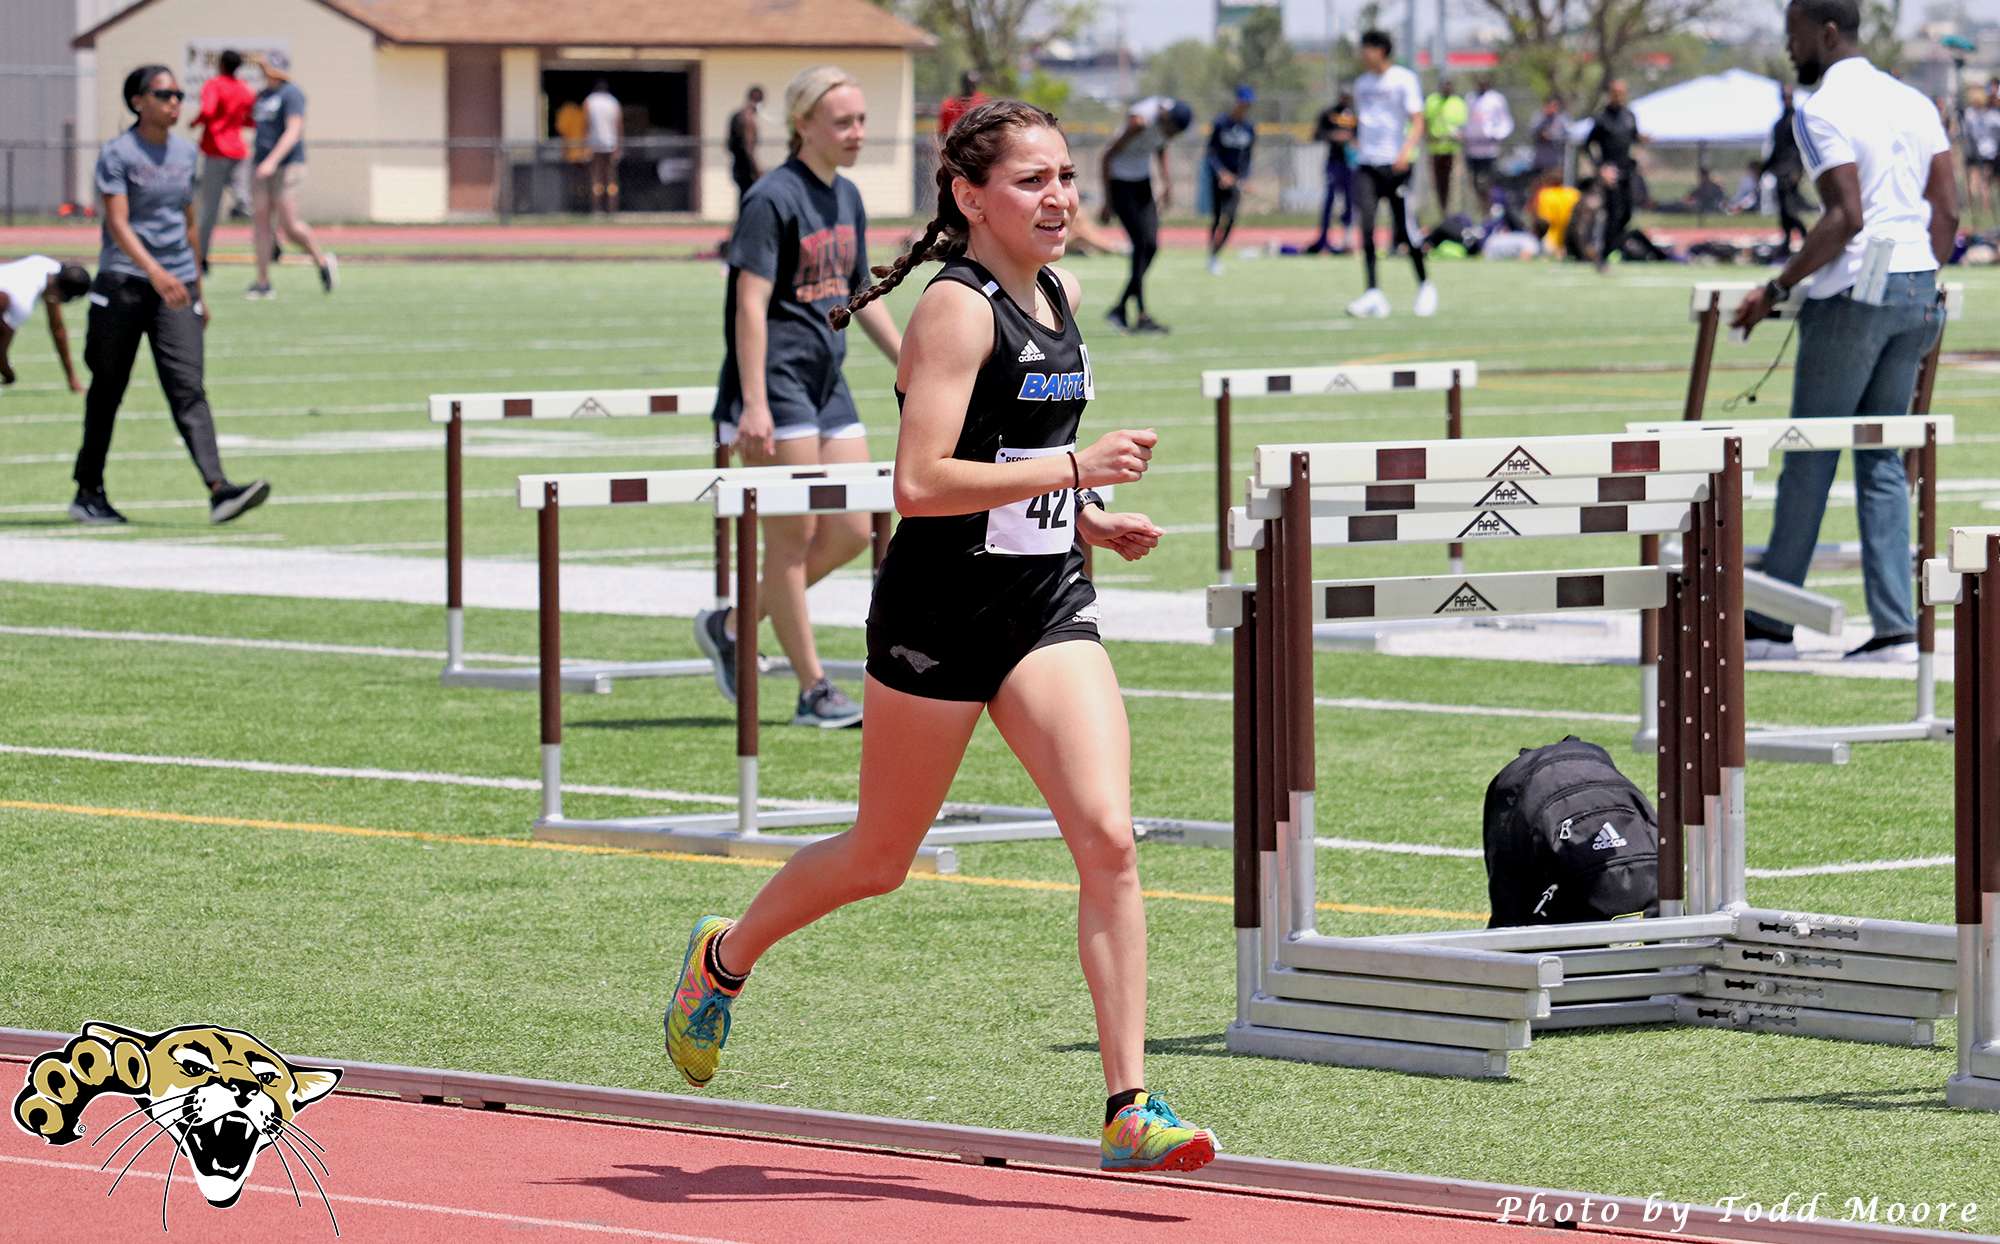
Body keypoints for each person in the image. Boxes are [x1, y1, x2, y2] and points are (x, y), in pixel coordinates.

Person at [665, 97, 1217, 1177]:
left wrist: (1086, 517)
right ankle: (722, 956)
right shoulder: (954, 311)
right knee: (880, 856)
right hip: (936, 616)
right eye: (1031, 180)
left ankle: (1127, 1102)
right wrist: (1076, 470)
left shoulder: (1055, 290)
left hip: (1045, 603)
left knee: (1106, 834)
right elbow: (917, 485)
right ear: (970, 197)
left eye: (1063, 175)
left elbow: (1011, 457)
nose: (1058, 196)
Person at [1731, 0, 1958, 665]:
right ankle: (1895, 627)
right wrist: (1922, 272)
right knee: (1882, 456)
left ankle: (1772, 624)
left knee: (1810, 451)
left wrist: (1774, 289)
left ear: (1826, 34)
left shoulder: (1821, 106)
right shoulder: (1915, 101)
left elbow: (1846, 215)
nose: (1787, 48)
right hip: (1918, 289)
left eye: (1794, 36)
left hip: (1856, 294)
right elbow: (1946, 205)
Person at [694, 66, 902, 729]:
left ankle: (731, 624)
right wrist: (752, 404)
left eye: (862, 120)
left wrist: (910, 362)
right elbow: (748, 306)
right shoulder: (770, 198)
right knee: (791, 538)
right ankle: (814, 688)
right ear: (803, 125)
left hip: (826, 378)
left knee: (852, 526)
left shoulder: (846, 197)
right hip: (774, 384)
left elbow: (854, 295)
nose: (857, 133)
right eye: (843, 122)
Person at [72, 65, 270, 527]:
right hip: (124, 284)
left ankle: (219, 490)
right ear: (138, 101)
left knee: (188, 388)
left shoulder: (185, 153)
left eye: (179, 93)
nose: (175, 102)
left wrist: (197, 290)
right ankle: (88, 492)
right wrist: (155, 272)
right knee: (108, 389)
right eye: (164, 94)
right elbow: (118, 223)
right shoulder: (117, 153)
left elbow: (188, 223)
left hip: (177, 287)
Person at [1347, 29, 1435, 319]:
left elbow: (1417, 121)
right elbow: (1362, 122)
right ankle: (1373, 292)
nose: (1363, 55)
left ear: (1380, 50)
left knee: (1404, 231)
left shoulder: (1404, 79)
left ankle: (1424, 286)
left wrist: (1405, 152)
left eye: (1366, 49)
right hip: (1368, 164)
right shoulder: (1361, 84)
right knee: (1368, 227)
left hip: (1396, 166)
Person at [1098, 95, 1192, 333]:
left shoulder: (1167, 123)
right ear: (1165, 119)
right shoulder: (1140, 121)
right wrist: (1107, 202)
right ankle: (1140, 314)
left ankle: (1120, 308)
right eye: (1171, 131)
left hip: (1142, 182)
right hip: (1120, 182)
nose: (1170, 136)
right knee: (1141, 245)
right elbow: (1108, 155)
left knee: (1151, 246)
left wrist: (1167, 182)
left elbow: (1160, 147)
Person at [245, 54, 333, 300]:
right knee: (261, 221)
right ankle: (263, 282)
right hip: (260, 165)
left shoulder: (292, 93)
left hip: (286, 165)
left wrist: (273, 161)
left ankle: (322, 261)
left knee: (289, 225)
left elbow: (294, 130)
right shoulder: (262, 96)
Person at [189, 49, 253, 275]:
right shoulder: (244, 88)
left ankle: (201, 258)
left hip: (216, 150)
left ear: (221, 65)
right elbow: (252, 119)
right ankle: (271, 243)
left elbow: (208, 110)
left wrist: (195, 122)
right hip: (238, 151)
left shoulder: (214, 85)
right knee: (248, 203)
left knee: (209, 210)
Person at [0, 256, 89, 393]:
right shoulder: (22, 302)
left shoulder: (48, 267)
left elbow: (57, 329)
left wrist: (71, 377)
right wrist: (9, 375)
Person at [1585, 80, 1644, 272]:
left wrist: (1643, 139)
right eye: (1615, 92)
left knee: (1626, 214)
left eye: (1622, 92)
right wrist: (1600, 168)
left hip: (1627, 171)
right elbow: (1587, 145)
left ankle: (1609, 249)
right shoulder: (1602, 118)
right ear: (1610, 93)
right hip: (1610, 174)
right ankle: (1602, 257)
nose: (1618, 96)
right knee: (1613, 214)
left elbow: (1634, 137)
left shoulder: (1629, 116)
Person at [1204, 86, 1256, 276]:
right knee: (1217, 218)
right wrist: (1221, 174)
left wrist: (1246, 178)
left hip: (1236, 181)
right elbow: (1210, 154)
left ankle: (1217, 253)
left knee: (1231, 217)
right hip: (1219, 180)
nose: (1245, 107)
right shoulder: (1221, 123)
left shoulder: (1249, 127)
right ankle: (1211, 255)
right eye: (1243, 102)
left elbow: (1248, 157)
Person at [1761, 83, 1813, 254]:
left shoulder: (1798, 121)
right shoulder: (1779, 124)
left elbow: (1802, 148)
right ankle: (1787, 242)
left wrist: (1799, 171)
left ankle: (1807, 239)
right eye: (1784, 96)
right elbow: (1776, 151)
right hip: (1780, 172)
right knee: (1783, 211)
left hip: (1792, 172)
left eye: (1789, 96)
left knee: (1790, 210)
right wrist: (1764, 169)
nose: (1786, 100)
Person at [1305, 93, 1357, 254]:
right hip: (1334, 163)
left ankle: (1347, 240)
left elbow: (1361, 136)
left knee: (1350, 202)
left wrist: (1353, 140)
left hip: (1352, 164)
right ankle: (1324, 239)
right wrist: (1334, 136)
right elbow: (1317, 134)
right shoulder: (1329, 114)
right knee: (1329, 201)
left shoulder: (1356, 115)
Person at [1462, 77, 1514, 210]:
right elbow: (1466, 121)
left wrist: (1496, 134)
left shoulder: (1496, 99)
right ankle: (1481, 207)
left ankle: (1492, 206)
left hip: (1489, 149)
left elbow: (1505, 122)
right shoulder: (1470, 98)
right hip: (1473, 149)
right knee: (1475, 182)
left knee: (1488, 181)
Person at [1424, 78, 1467, 219]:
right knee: (1438, 186)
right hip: (1435, 150)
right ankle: (1441, 216)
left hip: (1453, 151)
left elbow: (1463, 127)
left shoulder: (1458, 103)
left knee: (1453, 186)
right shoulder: (1432, 101)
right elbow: (1425, 122)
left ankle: (1454, 216)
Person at [585, 79, 622, 214]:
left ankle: (597, 208)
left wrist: (586, 144)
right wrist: (619, 145)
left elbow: (587, 123)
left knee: (596, 176)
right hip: (611, 143)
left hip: (594, 143)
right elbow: (619, 124)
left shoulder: (590, 101)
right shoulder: (613, 102)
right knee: (611, 177)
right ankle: (612, 208)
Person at [727, 85, 764, 206]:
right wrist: (757, 170)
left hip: (737, 165)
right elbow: (749, 149)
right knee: (750, 202)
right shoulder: (748, 119)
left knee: (743, 200)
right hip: (747, 168)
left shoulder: (736, 116)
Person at [936, 69, 989, 137]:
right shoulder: (949, 105)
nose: (971, 87)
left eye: (974, 84)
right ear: (963, 84)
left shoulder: (983, 102)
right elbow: (943, 132)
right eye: (968, 84)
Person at [1531, 94, 1571, 177]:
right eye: (1552, 105)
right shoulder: (1539, 117)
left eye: (1556, 105)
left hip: (1556, 161)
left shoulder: (1561, 119)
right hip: (1540, 161)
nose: (1554, 108)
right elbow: (1534, 132)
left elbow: (1567, 135)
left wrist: (1552, 136)